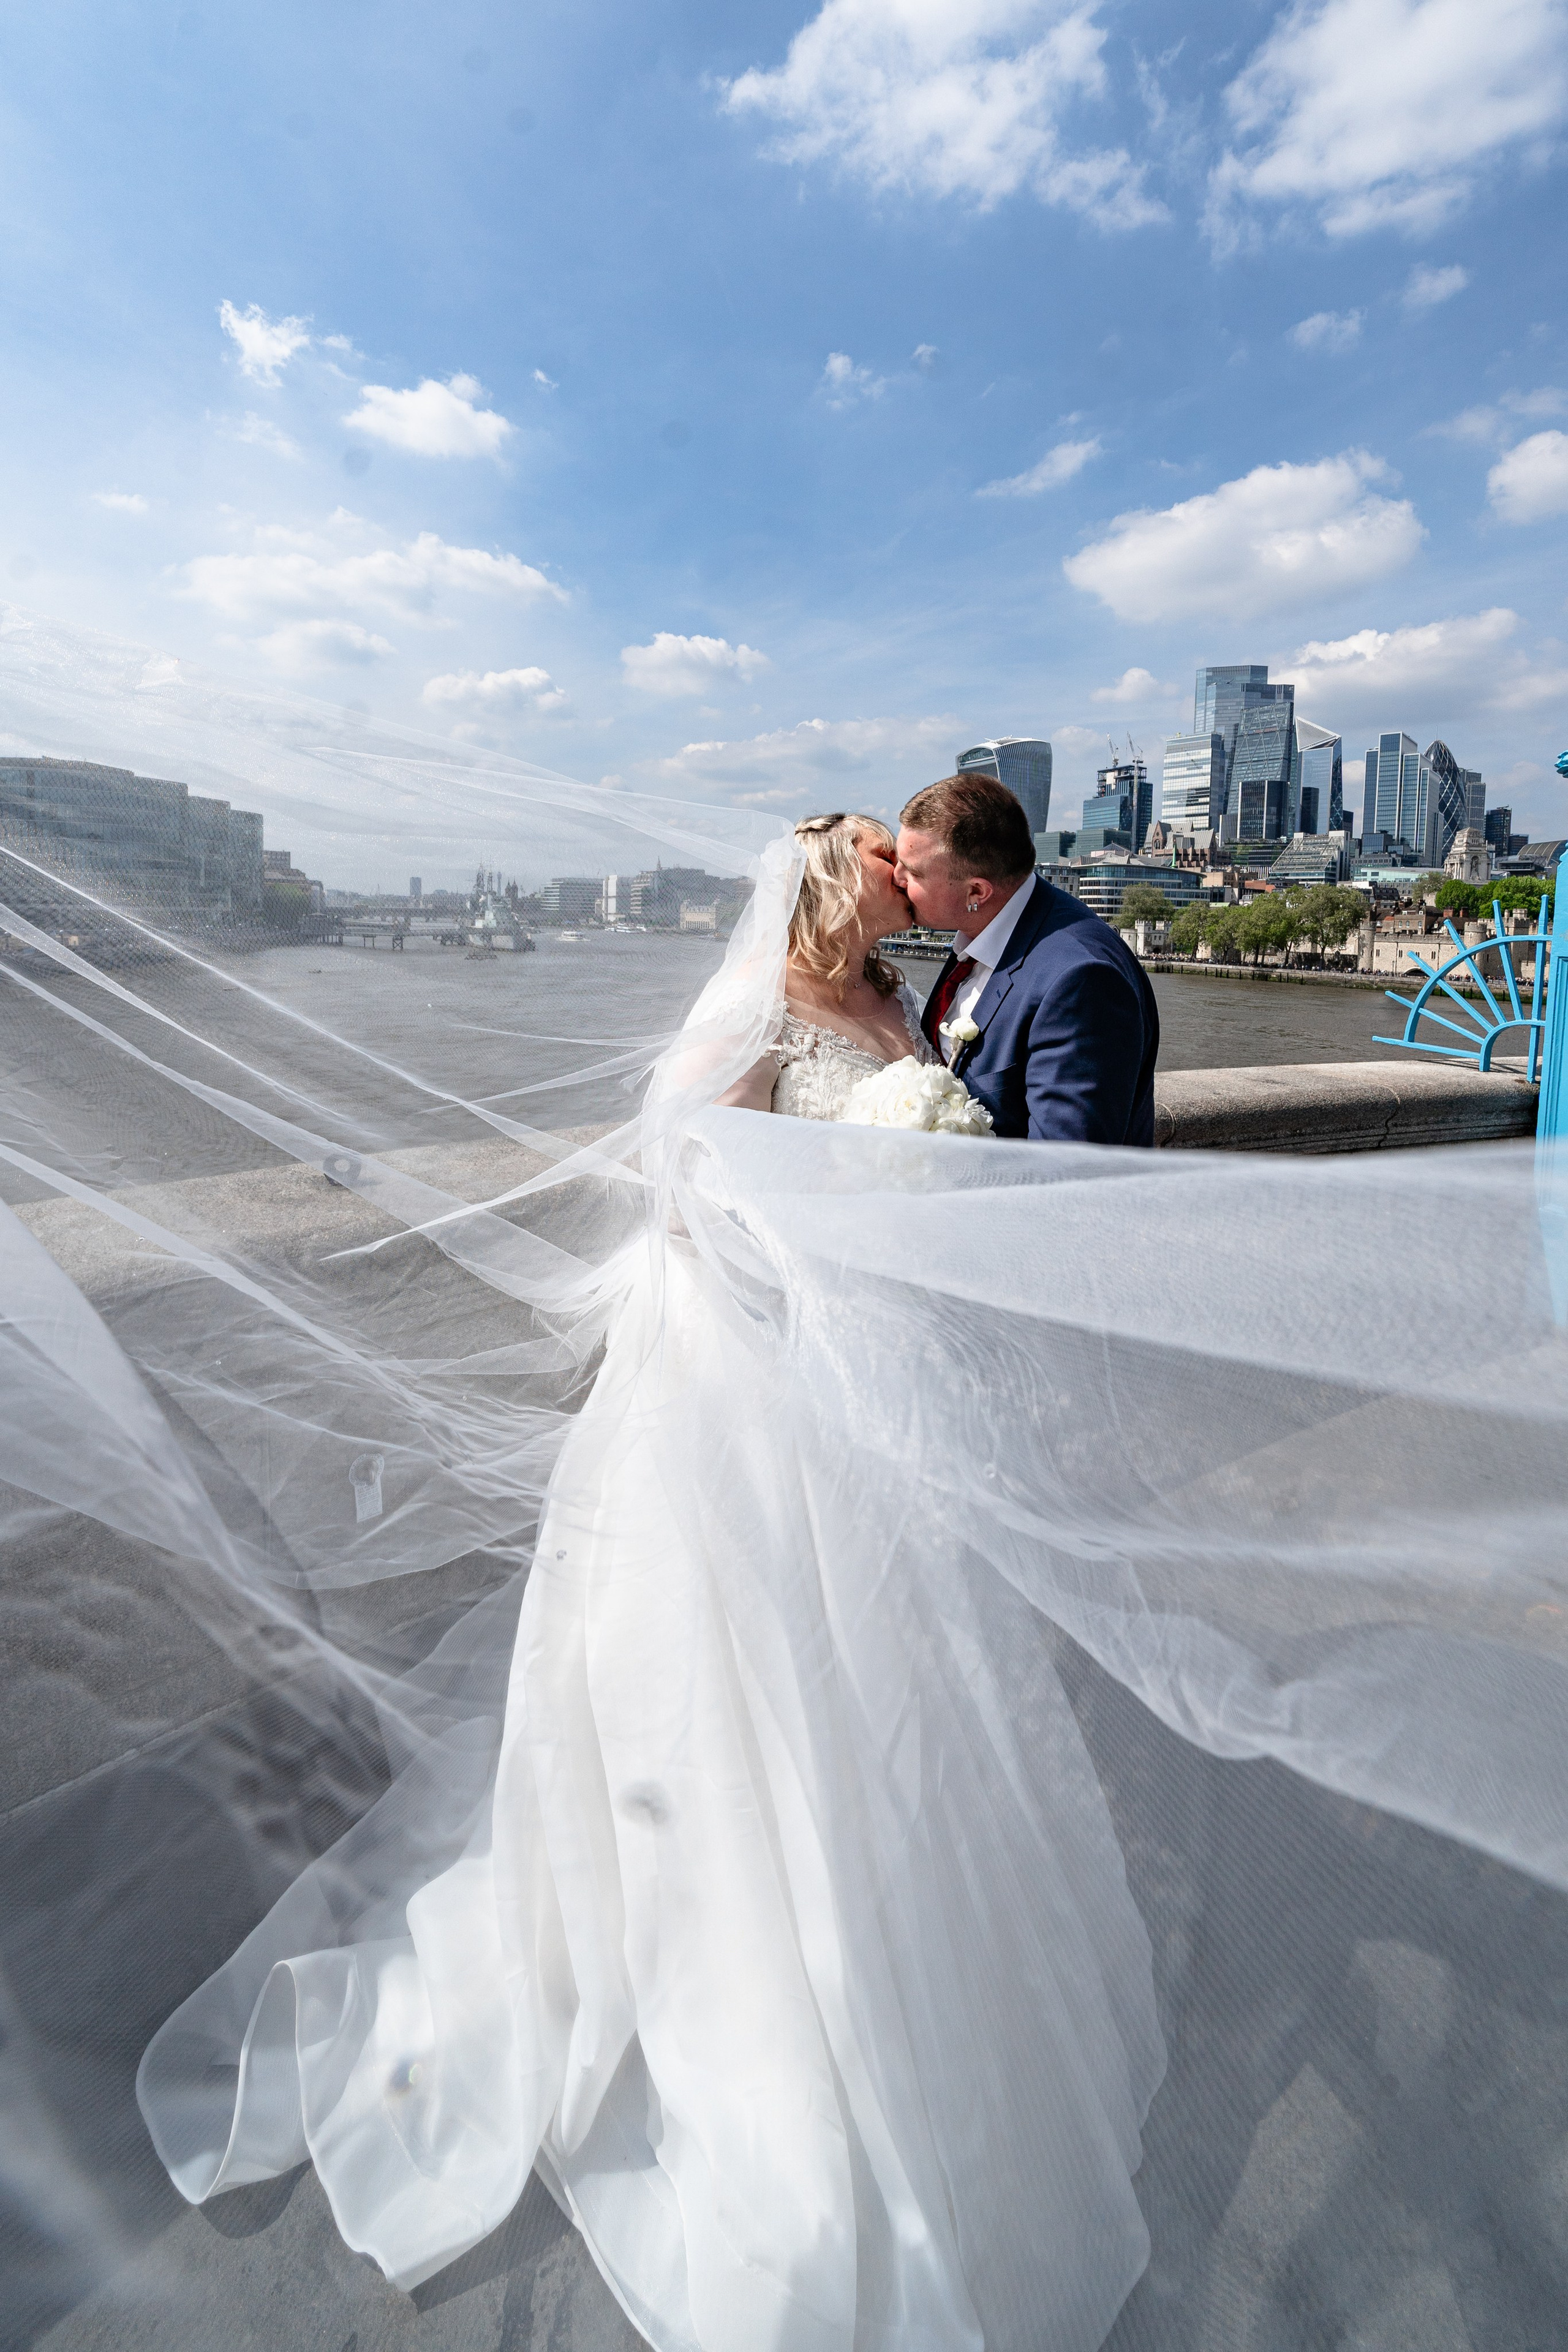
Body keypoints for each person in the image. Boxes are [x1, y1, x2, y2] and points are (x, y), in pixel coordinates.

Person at [895, 773, 1159, 1145]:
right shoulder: (981, 926)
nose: (896, 877)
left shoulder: (1080, 980)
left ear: (976, 891)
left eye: (914, 872)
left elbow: (1063, 1167)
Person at [717, 810, 939, 1118]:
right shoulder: (757, 998)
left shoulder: (903, 998)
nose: (903, 875)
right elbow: (721, 1140)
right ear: (837, 873)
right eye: (888, 858)